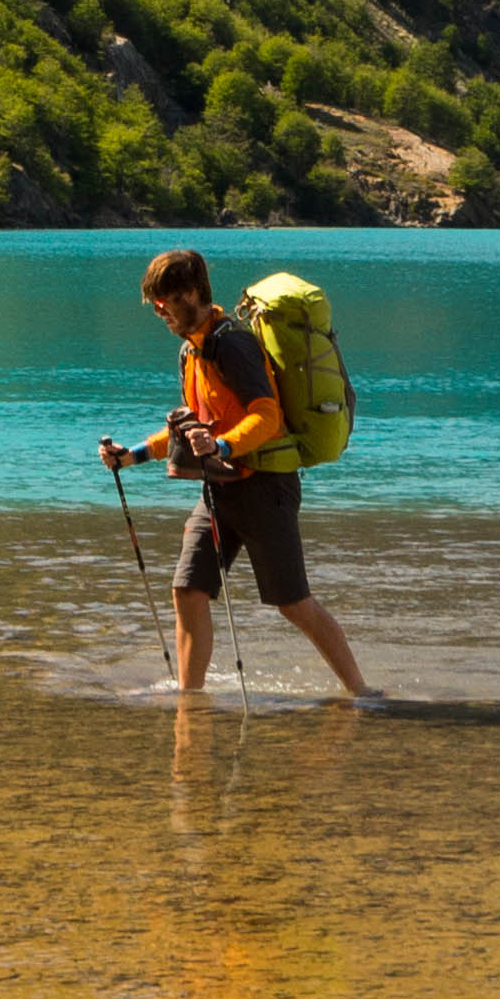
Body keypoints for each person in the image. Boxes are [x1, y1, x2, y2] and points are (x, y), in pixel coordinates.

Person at [102, 246, 378, 703]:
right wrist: (130, 456)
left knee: (293, 603)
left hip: (266, 487)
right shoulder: (192, 352)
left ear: (191, 294)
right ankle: (190, 699)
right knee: (188, 588)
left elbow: (266, 416)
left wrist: (223, 446)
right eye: (155, 303)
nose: (159, 312)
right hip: (219, 490)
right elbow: (193, 423)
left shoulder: (233, 343)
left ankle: (363, 692)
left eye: (164, 301)